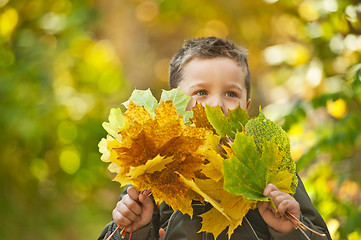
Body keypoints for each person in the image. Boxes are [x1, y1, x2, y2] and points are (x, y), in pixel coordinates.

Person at [98, 37, 332, 240]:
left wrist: (290, 230)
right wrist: (133, 230)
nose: (216, 105)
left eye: (231, 94)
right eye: (201, 93)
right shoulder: (153, 173)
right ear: (174, 106)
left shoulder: (268, 169)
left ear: (246, 108)